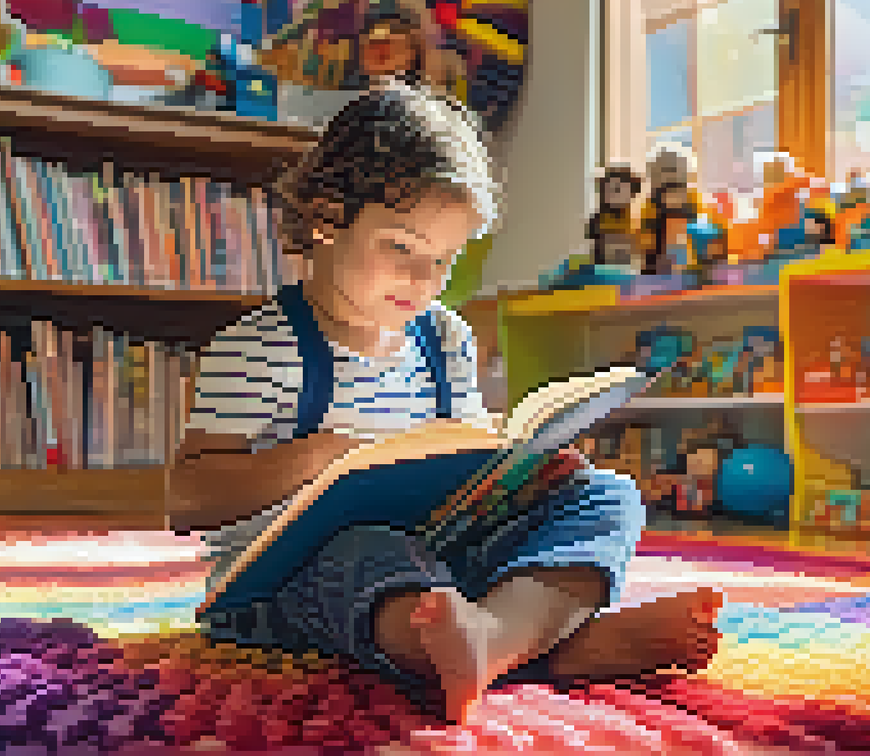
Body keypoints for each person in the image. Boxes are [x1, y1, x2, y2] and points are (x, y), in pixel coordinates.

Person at [170, 83, 722, 724]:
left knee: (607, 496)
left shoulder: (445, 338)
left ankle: (492, 640)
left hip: (439, 558)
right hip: (290, 586)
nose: (424, 282)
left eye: (444, 260)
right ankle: (550, 649)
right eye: (402, 249)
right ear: (326, 218)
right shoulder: (260, 349)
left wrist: (523, 473)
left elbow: (466, 449)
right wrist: (320, 457)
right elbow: (190, 498)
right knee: (368, 554)